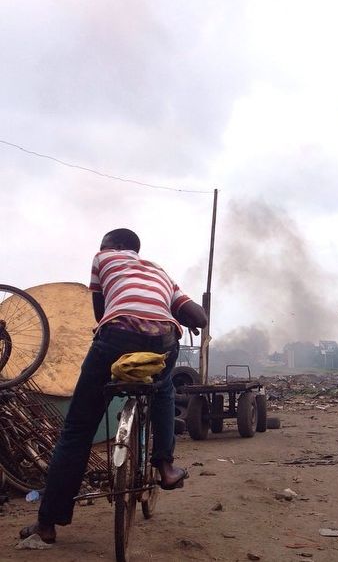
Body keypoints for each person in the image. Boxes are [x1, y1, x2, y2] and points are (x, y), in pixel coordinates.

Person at [20, 228, 207, 544]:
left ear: (116, 246)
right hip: (163, 340)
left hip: (115, 337)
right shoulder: (161, 272)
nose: (101, 247)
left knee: (77, 431)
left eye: (104, 243)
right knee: (162, 389)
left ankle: (48, 523)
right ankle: (165, 467)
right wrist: (183, 317)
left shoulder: (102, 258)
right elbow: (199, 318)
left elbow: (100, 312)